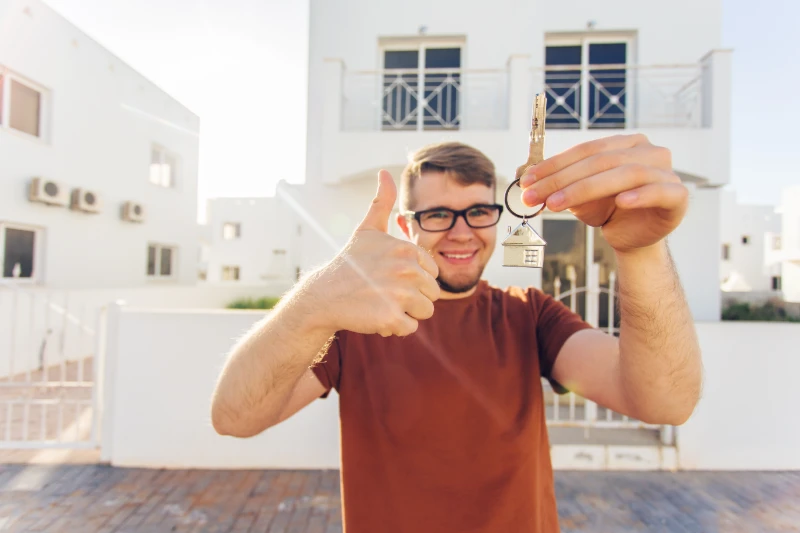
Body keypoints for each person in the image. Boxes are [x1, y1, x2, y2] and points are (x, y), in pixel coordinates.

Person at [210, 136, 703, 533]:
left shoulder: (528, 316)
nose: (462, 232)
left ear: (497, 215)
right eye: (438, 214)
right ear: (406, 225)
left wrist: (642, 252)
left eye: (478, 211)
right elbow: (234, 416)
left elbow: (665, 402)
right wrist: (313, 302)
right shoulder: (350, 327)